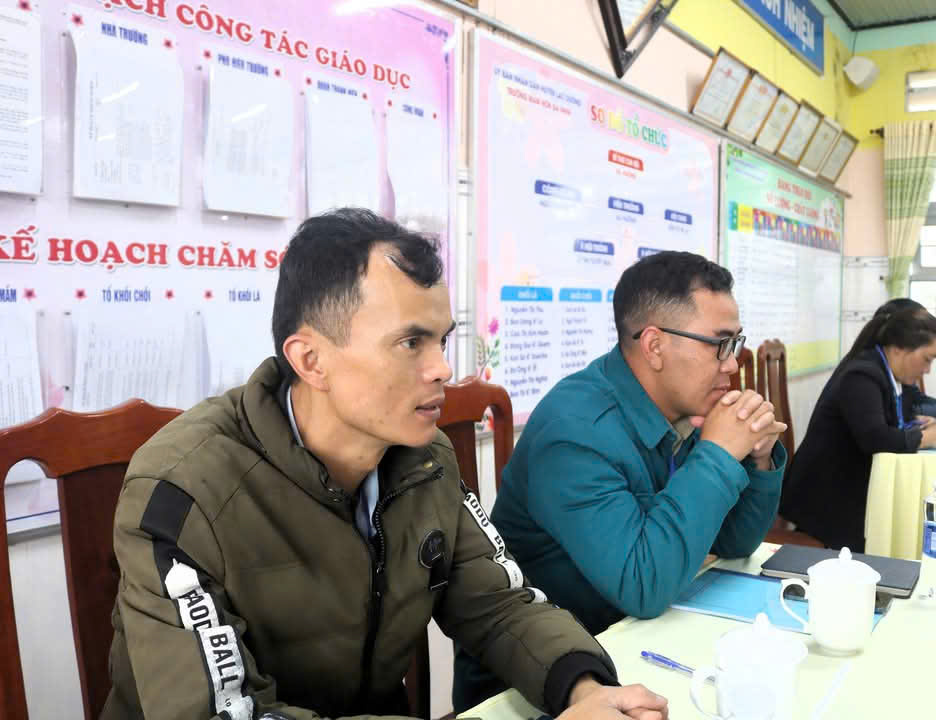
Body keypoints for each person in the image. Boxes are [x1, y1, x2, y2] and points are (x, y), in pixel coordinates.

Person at [103, 208, 668, 720]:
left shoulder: (426, 459)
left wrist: (585, 690)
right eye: (411, 343)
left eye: (442, 341)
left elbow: (498, 604)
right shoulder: (183, 490)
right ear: (311, 360)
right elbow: (223, 714)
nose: (442, 369)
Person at [453, 251, 788, 711]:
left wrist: (758, 460)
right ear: (654, 346)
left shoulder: (678, 410)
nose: (731, 365)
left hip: (627, 643)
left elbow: (734, 542)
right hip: (538, 686)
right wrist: (716, 455)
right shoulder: (575, 431)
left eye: (735, 343)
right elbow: (643, 586)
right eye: (719, 344)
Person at [779, 305, 936, 552]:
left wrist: (917, 424)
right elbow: (874, 437)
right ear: (899, 348)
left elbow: (895, 417)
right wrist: (925, 437)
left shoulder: (888, 373)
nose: (927, 370)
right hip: (828, 497)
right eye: (927, 359)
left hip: (851, 488)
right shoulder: (862, 375)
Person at [855, 299, 936, 422]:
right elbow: (911, 410)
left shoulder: (892, 370)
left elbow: (918, 401)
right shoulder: (865, 376)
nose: (927, 370)